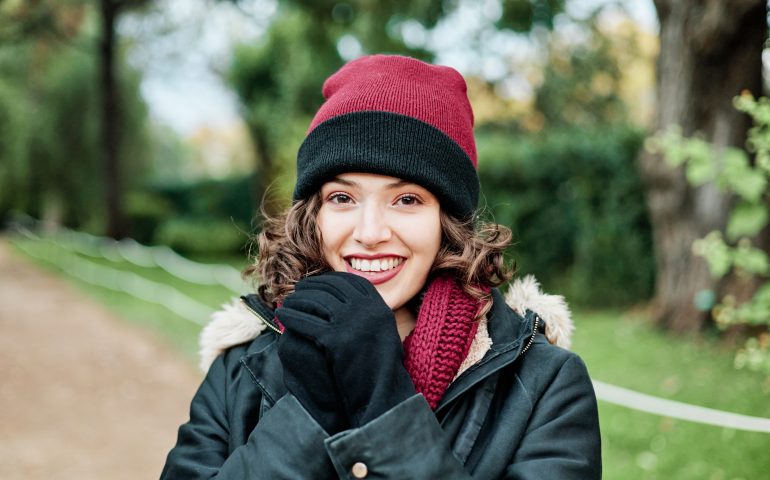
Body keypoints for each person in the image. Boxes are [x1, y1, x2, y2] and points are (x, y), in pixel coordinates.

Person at [160, 54, 601, 479]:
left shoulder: (546, 384)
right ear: (313, 217)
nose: (370, 232)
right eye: (342, 198)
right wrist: (308, 414)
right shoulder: (243, 364)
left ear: (448, 224)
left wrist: (385, 403)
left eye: (406, 200)